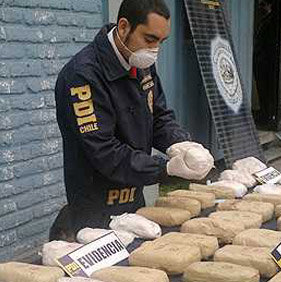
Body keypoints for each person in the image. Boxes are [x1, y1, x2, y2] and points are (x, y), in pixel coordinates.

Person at [50, 0, 213, 241]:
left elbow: (158, 116)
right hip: (96, 206)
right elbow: (104, 152)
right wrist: (163, 168)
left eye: (161, 41)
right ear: (124, 27)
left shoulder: (140, 62)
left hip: (134, 193)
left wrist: (180, 144)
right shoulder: (82, 76)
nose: (155, 49)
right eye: (149, 39)